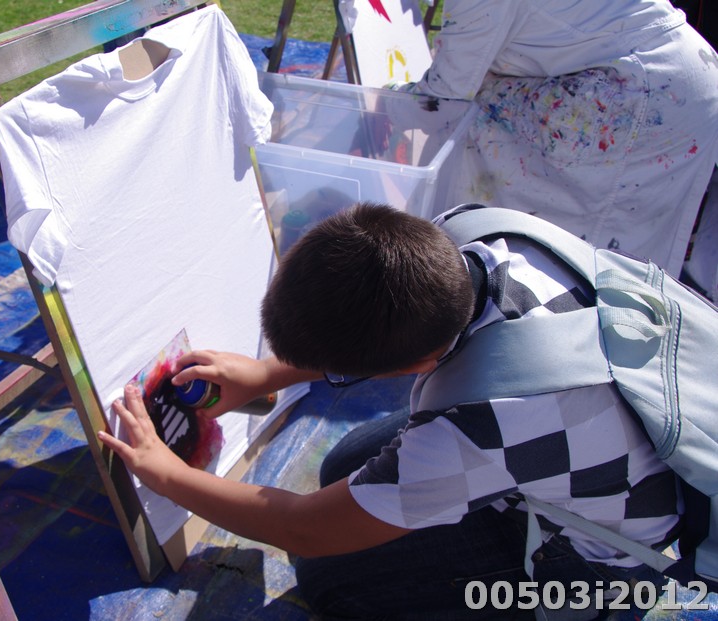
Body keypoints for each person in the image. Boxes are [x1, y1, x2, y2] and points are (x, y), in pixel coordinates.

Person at [98, 202, 682, 619]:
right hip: (584, 436)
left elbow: (304, 529)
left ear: (417, 364)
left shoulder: (479, 427)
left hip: (598, 562)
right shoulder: (468, 235)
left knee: (332, 581)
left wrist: (168, 475)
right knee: (344, 465)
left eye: (340, 375)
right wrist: (268, 373)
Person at [390, 0, 718, 279]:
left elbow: (444, 98)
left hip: (650, 95)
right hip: (673, 77)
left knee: (602, 271)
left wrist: (382, 105)